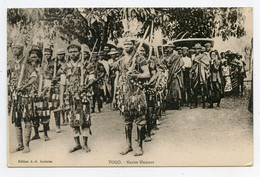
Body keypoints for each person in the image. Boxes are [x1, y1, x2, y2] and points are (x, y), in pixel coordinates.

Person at [115, 38, 150, 156]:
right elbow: (117, 77)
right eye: (125, 44)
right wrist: (114, 96)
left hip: (137, 91)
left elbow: (147, 73)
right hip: (124, 93)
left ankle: (139, 147)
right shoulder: (120, 61)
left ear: (133, 45)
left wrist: (137, 75)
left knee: (140, 119)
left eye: (129, 43)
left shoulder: (140, 58)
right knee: (127, 120)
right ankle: (128, 145)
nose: (127, 46)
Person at [8, 42, 39, 153]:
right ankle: (20, 144)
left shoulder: (28, 62)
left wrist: (25, 86)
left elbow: (34, 77)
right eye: (13, 48)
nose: (15, 50)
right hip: (15, 95)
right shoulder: (10, 63)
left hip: (26, 95)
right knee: (17, 120)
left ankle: (26, 145)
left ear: (22, 49)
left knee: (27, 119)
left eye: (17, 48)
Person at [63, 42, 93, 153]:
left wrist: (85, 86)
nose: (73, 54)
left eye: (75, 51)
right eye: (70, 52)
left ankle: (85, 144)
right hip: (70, 97)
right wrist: (62, 99)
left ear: (79, 52)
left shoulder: (86, 65)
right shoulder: (65, 67)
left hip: (84, 96)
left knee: (85, 119)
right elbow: (63, 83)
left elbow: (92, 78)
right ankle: (77, 144)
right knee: (73, 119)